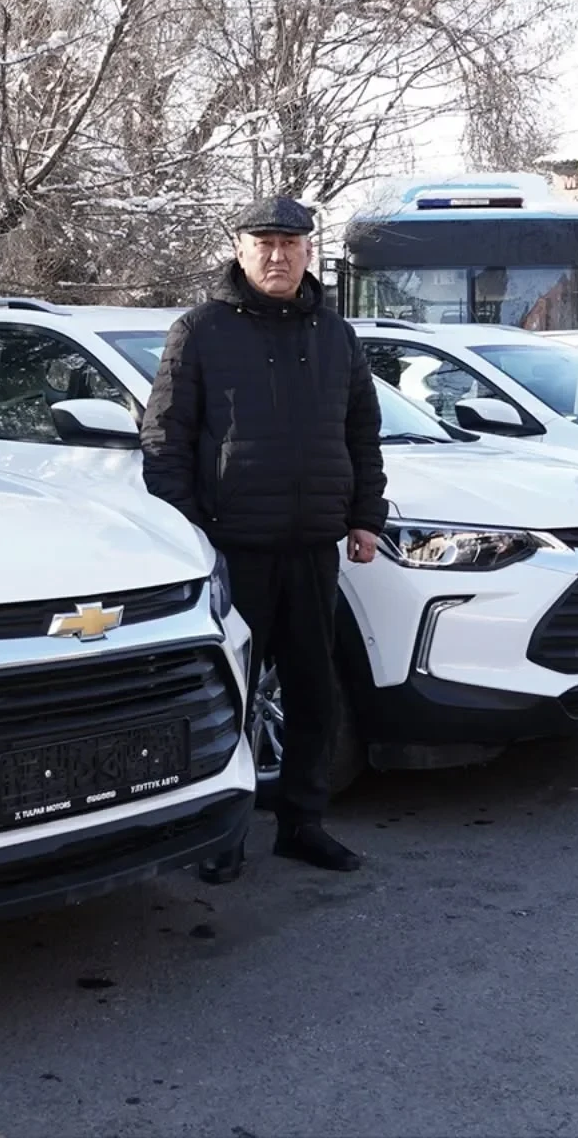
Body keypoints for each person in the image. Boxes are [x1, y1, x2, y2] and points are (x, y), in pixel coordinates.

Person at [141, 195, 386, 874]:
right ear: (240, 249)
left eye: (290, 244)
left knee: (313, 693)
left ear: (309, 251)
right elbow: (164, 441)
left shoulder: (335, 335)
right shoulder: (201, 331)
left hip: (312, 547)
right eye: (264, 244)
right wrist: (192, 536)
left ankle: (302, 823)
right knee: (230, 697)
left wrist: (365, 516)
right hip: (232, 550)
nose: (277, 256)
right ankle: (221, 837)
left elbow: (362, 433)